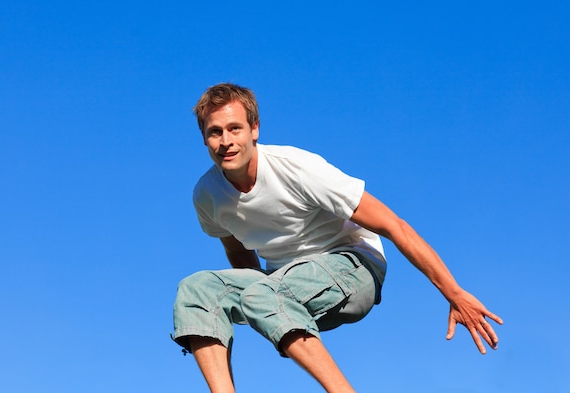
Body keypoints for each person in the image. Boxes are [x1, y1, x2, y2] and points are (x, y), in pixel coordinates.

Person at [172, 83, 503, 393]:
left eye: (235, 129)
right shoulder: (207, 195)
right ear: (204, 139)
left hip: (353, 267)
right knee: (196, 289)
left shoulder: (296, 168)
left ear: (254, 129)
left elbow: (393, 225)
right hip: (283, 283)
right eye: (215, 132)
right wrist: (262, 305)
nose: (226, 141)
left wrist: (454, 293)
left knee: (261, 293)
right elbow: (237, 250)